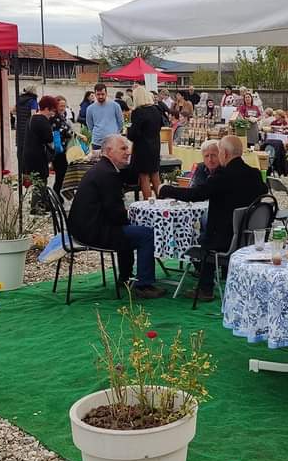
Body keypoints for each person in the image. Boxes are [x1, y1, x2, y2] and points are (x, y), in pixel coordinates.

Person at [159, 135, 267, 302]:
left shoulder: (223, 176)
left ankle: (205, 289)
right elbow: (263, 193)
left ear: (223, 153)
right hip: (250, 236)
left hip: (223, 240)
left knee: (204, 237)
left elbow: (196, 195)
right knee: (209, 232)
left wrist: (167, 190)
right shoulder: (254, 174)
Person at [67, 134, 164, 298]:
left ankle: (125, 277)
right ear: (109, 151)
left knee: (129, 228)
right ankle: (144, 284)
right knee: (146, 234)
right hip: (92, 231)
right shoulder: (108, 174)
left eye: (127, 148)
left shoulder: (104, 169)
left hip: (83, 227)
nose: (128, 152)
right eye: (123, 148)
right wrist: (132, 218)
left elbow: (114, 212)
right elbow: (115, 214)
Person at [127, 85, 164, 199]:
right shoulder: (157, 110)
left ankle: (148, 203)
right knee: (155, 175)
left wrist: (129, 131)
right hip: (155, 146)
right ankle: (161, 200)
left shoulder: (139, 112)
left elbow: (133, 134)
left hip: (142, 148)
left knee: (144, 176)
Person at [21, 95, 57, 206]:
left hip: (29, 154)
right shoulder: (42, 120)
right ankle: (37, 206)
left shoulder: (32, 118)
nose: (53, 114)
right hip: (38, 155)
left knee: (37, 180)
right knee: (41, 180)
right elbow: (49, 139)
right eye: (52, 111)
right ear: (46, 108)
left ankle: (43, 204)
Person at [85, 83, 124, 151]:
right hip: (97, 142)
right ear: (95, 94)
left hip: (113, 142)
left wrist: (115, 133)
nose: (100, 96)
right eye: (98, 94)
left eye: (102, 94)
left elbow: (120, 122)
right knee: (98, 161)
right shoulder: (90, 108)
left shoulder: (115, 106)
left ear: (106, 93)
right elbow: (90, 125)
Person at [51, 96, 73, 195]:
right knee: (60, 175)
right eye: (61, 106)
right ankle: (56, 195)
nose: (63, 108)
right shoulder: (54, 118)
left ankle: (58, 195)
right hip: (58, 150)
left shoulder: (62, 116)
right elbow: (59, 132)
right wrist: (69, 133)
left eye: (64, 106)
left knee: (62, 175)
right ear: (56, 106)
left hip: (63, 150)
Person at [15, 85, 39, 168]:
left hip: (19, 129)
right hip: (28, 129)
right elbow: (33, 115)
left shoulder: (19, 99)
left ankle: (20, 171)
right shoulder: (33, 101)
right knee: (28, 152)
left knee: (20, 151)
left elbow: (14, 111)